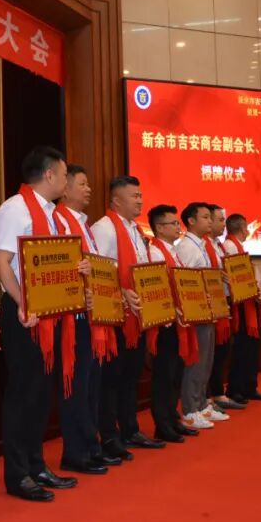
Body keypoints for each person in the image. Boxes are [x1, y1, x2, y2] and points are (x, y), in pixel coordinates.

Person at [0, 146, 80, 501]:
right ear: (49, 175)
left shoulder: (54, 216)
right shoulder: (15, 209)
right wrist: (22, 303)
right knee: (23, 394)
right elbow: (2, 263)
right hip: (23, 314)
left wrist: (78, 267)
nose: (66, 181)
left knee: (42, 394)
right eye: (64, 174)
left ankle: (36, 464)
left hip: (50, 313)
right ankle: (18, 474)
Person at [89, 176, 166, 461]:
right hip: (114, 316)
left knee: (130, 376)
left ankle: (130, 429)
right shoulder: (104, 228)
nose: (140, 200)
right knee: (111, 379)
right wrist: (121, 292)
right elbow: (98, 271)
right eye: (134, 196)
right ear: (116, 200)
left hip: (137, 315)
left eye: (140, 195)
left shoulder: (136, 230)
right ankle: (109, 436)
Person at [54, 164, 112, 473]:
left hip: (90, 313)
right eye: (82, 183)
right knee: (76, 386)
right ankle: (75, 452)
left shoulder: (82, 222)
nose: (89, 189)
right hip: (72, 316)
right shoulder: (59, 220)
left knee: (90, 384)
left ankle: (91, 445)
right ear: (64, 189)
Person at [175, 202, 228, 429]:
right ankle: (190, 409)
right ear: (191, 221)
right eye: (205, 217)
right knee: (195, 362)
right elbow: (185, 281)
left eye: (210, 217)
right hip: (196, 312)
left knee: (207, 361)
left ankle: (201, 403)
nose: (210, 221)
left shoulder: (203, 245)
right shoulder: (187, 247)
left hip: (209, 309)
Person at [146, 204, 194, 442]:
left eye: (178, 223)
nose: (178, 227)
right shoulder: (154, 252)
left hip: (179, 321)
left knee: (175, 373)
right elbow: (156, 285)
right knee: (164, 375)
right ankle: (162, 424)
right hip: (164, 322)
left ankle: (173, 419)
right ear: (159, 228)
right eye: (173, 223)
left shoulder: (173, 251)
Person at [222, 213, 261, 403]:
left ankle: (249, 386)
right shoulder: (229, 246)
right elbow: (235, 277)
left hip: (248, 301)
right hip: (240, 304)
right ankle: (236, 389)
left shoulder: (238, 246)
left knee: (250, 347)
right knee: (242, 348)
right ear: (243, 228)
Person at [205, 204, 245, 412]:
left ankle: (218, 393)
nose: (223, 224)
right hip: (210, 304)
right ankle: (209, 397)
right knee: (211, 353)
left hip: (224, 301)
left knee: (221, 351)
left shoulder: (218, 245)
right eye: (220, 220)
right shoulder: (200, 246)